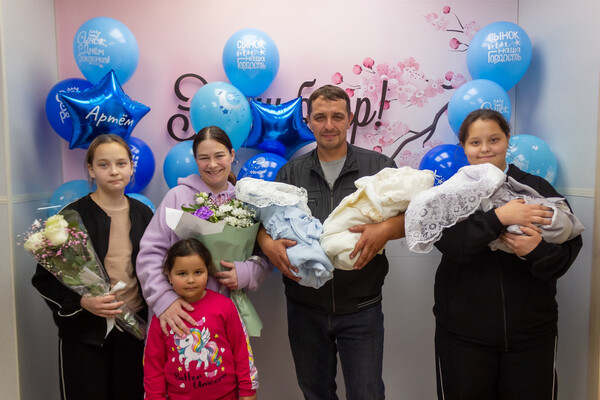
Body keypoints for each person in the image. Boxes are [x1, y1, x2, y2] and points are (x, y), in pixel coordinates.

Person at [257, 84, 405, 400]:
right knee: (315, 393)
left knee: (366, 394)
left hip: (361, 307)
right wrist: (266, 243)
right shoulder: (290, 173)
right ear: (308, 122)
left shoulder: (379, 168)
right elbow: (266, 221)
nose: (328, 125)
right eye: (320, 117)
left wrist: (384, 229)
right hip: (304, 307)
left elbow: (412, 219)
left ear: (350, 118)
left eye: (337, 116)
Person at [432, 109, 582, 399]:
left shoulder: (536, 188)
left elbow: (568, 250)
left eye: (494, 139)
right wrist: (500, 218)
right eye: (475, 142)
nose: (485, 149)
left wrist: (537, 251)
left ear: (507, 140)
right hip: (463, 339)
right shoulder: (449, 194)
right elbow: (452, 246)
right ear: (463, 146)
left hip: (532, 338)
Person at [32, 134, 154, 400]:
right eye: (103, 164)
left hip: (134, 332)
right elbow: (45, 279)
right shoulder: (71, 217)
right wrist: (82, 302)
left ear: (131, 167)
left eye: (121, 163)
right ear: (90, 169)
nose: (114, 171)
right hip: (84, 336)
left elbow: (155, 270)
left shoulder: (145, 214)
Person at [136, 126, 272, 338]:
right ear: (195, 159)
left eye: (219, 156)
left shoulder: (246, 201)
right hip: (181, 313)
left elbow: (264, 254)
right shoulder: (177, 197)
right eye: (204, 158)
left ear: (232, 155)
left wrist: (246, 272)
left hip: (227, 312)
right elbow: (150, 255)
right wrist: (164, 299)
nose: (213, 164)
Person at [143, 238, 258, 400]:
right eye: (182, 273)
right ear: (169, 275)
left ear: (207, 271)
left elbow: (242, 351)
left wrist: (248, 390)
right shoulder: (162, 318)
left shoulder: (225, 306)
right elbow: (153, 366)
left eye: (198, 272)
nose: (191, 280)